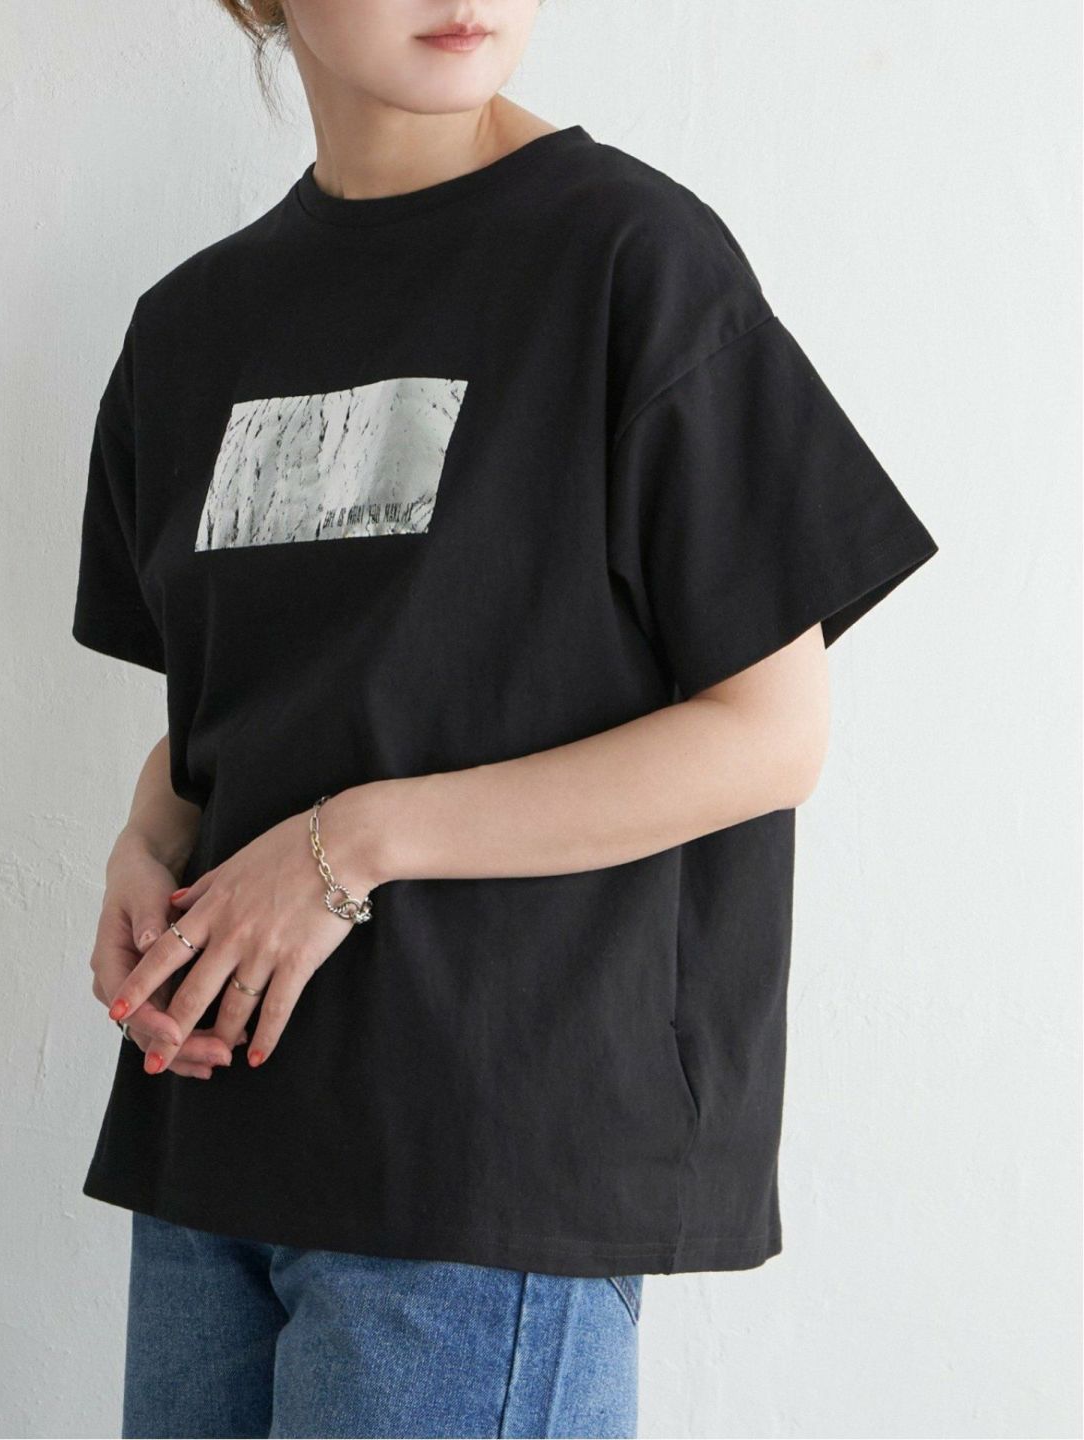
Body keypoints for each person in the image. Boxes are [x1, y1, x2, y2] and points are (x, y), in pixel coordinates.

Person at [70, 3, 940, 1436]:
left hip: (482, 1163)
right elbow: (259, 694)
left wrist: (351, 846)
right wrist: (146, 837)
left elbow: (769, 731)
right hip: (214, 1139)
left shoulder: (626, 262)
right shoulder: (190, 328)